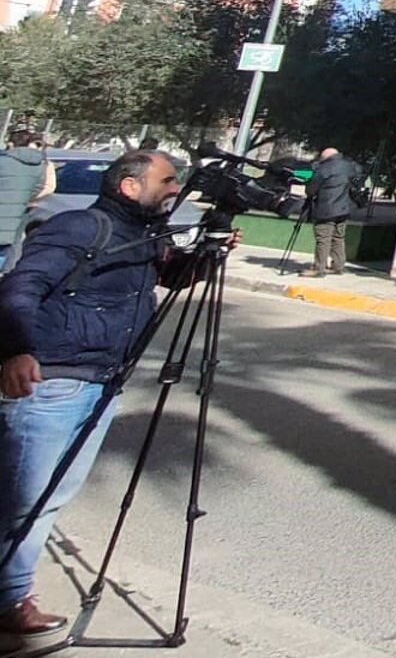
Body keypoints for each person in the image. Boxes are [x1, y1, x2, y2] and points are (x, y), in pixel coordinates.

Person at [0, 150, 222, 641]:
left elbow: (169, 277)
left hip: (103, 383)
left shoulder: (143, 236)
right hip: (54, 383)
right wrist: (16, 351)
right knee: (23, 501)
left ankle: (9, 593)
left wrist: (205, 258)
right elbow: (20, 286)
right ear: (128, 186)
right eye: (167, 180)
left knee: (48, 498)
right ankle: (10, 600)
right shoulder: (80, 227)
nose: (173, 189)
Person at [303, 147, 360, 278]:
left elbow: (311, 189)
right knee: (338, 237)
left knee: (323, 239)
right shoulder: (348, 166)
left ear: (324, 157)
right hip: (344, 208)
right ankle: (338, 266)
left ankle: (319, 268)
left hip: (326, 209)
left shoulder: (324, 168)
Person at [0, 130, 51, 271]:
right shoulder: (39, 165)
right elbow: (39, 187)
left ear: (11, 144)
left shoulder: (3, 161)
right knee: (6, 250)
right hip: (17, 214)